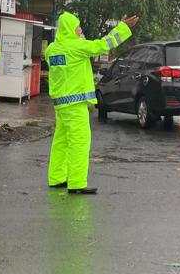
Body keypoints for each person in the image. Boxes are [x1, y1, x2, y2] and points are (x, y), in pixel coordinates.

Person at [46, 11, 139, 194]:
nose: (80, 30)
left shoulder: (51, 49)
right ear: (71, 29)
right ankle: (77, 183)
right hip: (75, 103)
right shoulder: (76, 47)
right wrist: (124, 27)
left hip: (60, 104)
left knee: (61, 141)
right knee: (80, 142)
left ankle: (56, 177)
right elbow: (104, 45)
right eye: (77, 27)